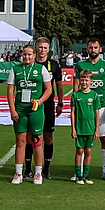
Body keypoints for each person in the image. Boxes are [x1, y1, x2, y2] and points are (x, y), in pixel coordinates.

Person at [69, 37, 105, 182]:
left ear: (100, 49)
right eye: (90, 47)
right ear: (87, 49)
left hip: (101, 107)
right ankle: (80, 172)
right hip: (84, 108)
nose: (93, 50)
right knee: (82, 141)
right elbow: (75, 87)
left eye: (96, 47)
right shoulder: (80, 65)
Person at [10, 43, 52, 185]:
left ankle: (38, 173)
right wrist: (13, 110)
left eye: (29, 54)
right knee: (20, 142)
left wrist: (40, 101)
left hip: (36, 111)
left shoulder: (41, 69)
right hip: (20, 110)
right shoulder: (15, 69)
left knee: (36, 141)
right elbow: (10, 91)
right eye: (24, 54)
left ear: (34, 55)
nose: (26, 57)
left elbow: (49, 89)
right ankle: (18, 173)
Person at [67, 56, 104, 184]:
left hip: (90, 128)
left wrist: (97, 130)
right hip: (79, 128)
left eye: (87, 80)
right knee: (79, 151)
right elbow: (72, 112)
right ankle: (78, 175)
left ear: (91, 81)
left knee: (88, 151)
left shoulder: (94, 96)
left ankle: (86, 175)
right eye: (82, 80)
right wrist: (73, 129)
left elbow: (97, 114)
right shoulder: (75, 95)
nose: (84, 82)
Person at [33, 37, 61, 179]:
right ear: (36, 48)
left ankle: (46, 169)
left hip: (48, 105)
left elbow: (59, 85)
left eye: (45, 47)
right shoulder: (30, 62)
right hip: (31, 106)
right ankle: (28, 168)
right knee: (31, 137)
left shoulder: (54, 65)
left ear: (49, 49)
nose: (42, 50)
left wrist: (60, 103)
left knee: (48, 137)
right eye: (40, 47)